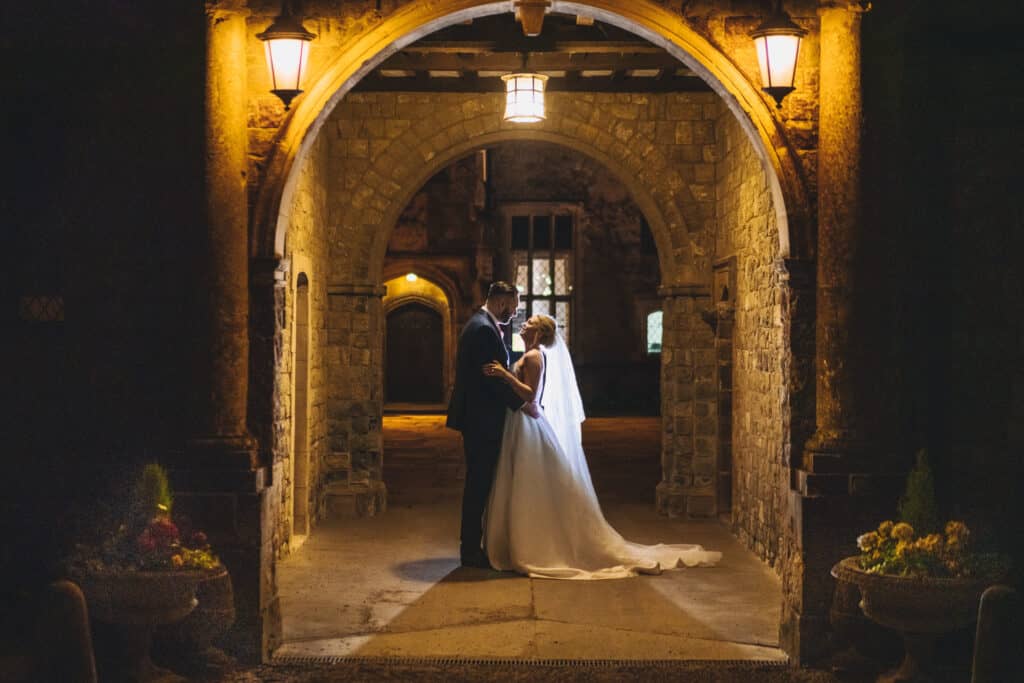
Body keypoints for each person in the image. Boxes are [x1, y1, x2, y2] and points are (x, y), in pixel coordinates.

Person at [481, 314, 722, 579]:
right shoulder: (531, 355)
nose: (524, 323)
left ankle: (536, 544)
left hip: (528, 422)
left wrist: (505, 375)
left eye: (530, 323)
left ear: (538, 334)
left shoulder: (535, 357)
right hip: (522, 422)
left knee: (531, 482)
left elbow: (531, 395)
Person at [447, 281, 539, 568]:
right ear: (501, 301)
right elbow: (491, 380)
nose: (515, 312)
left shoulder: (481, 323)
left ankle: (474, 545)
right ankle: (470, 550)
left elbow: (497, 370)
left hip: (478, 416)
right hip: (481, 419)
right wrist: (523, 405)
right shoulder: (484, 329)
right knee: (479, 483)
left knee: (481, 481)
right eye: (514, 306)